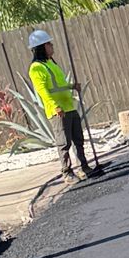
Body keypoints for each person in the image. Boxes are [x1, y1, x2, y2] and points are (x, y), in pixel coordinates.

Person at [27, 29, 103, 179]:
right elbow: (42, 90)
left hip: (69, 107)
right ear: (42, 46)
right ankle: (67, 172)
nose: (52, 46)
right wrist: (55, 106)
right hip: (58, 111)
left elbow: (59, 84)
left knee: (78, 139)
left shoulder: (51, 64)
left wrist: (72, 86)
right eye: (49, 44)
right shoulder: (36, 68)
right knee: (64, 142)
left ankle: (84, 167)